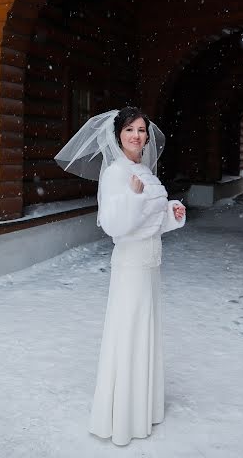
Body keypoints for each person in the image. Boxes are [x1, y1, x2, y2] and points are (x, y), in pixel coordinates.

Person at [54, 107, 186, 446]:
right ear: (119, 135)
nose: (137, 136)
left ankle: (144, 408)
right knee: (128, 333)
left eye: (142, 130)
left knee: (146, 331)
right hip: (130, 265)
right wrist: (135, 199)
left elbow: (153, 220)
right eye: (130, 130)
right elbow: (116, 227)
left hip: (150, 263)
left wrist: (172, 214)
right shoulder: (115, 173)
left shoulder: (145, 170)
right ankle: (123, 417)